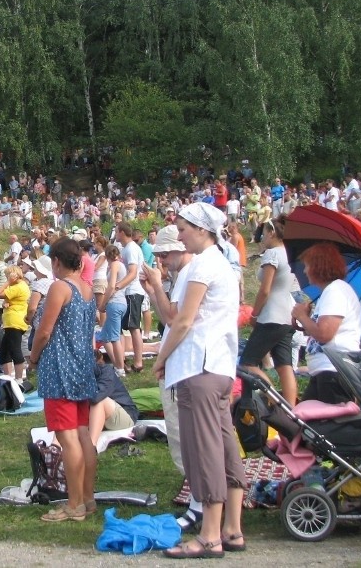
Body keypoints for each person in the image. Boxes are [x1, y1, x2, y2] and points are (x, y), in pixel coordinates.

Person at [153, 203, 246, 560]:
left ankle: (209, 535)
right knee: (223, 447)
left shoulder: (204, 264)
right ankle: (232, 528)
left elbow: (183, 320)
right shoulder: (219, 261)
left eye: (184, 228)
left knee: (203, 450)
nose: (179, 234)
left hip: (199, 367)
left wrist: (161, 360)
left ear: (203, 230)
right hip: (219, 366)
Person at [27, 238, 98, 523]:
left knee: (68, 439)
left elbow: (44, 331)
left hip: (60, 368)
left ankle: (74, 504)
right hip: (82, 367)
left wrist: (32, 359)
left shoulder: (60, 287)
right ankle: (88, 498)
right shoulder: (87, 288)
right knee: (83, 435)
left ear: (56, 261)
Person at [140, 224, 204, 532]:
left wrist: (162, 360)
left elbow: (173, 320)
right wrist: (154, 291)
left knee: (184, 434)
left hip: (186, 367)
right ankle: (199, 500)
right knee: (183, 435)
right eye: (160, 256)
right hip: (183, 363)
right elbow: (169, 319)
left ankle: (200, 503)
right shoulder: (183, 277)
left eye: (165, 255)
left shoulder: (189, 276)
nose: (162, 261)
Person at [292, 242, 361, 404]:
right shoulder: (329, 293)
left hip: (333, 372)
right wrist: (306, 319)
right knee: (307, 423)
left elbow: (325, 334)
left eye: (307, 266)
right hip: (324, 371)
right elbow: (318, 332)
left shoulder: (335, 292)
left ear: (318, 267)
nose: (304, 271)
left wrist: (302, 317)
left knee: (331, 425)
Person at [240, 217, 298, 404]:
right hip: (287, 313)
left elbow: (265, 290)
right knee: (284, 366)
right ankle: (291, 409)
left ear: (272, 232)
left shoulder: (272, 254)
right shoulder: (289, 253)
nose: (262, 237)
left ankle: (275, 399)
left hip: (271, 315)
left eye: (264, 233)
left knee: (247, 363)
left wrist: (255, 314)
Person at [115, 222, 146, 372]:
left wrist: (118, 286)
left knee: (134, 327)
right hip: (129, 291)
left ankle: (138, 362)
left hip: (133, 291)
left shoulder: (131, 249)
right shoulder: (127, 248)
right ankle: (122, 359)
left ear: (121, 232)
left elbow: (133, 272)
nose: (115, 234)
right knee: (123, 326)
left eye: (116, 231)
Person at [88, 353, 139, 445]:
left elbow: (96, 397)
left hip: (126, 415)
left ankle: (91, 445)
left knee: (100, 401)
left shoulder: (106, 371)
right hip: (100, 417)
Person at [0, 266, 30, 382]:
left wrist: (7, 282)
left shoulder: (18, 286)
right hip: (11, 321)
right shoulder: (18, 286)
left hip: (15, 322)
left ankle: (19, 378)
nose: (6, 278)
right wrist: (6, 302)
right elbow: (10, 298)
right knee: (4, 350)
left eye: (7, 276)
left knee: (15, 349)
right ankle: (8, 377)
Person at [97, 245, 127, 377]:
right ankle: (117, 364)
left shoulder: (115, 265)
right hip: (119, 302)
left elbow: (111, 286)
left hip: (115, 302)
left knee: (114, 338)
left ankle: (120, 368)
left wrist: (103, 303)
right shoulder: (120, 265)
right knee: (105, 336)